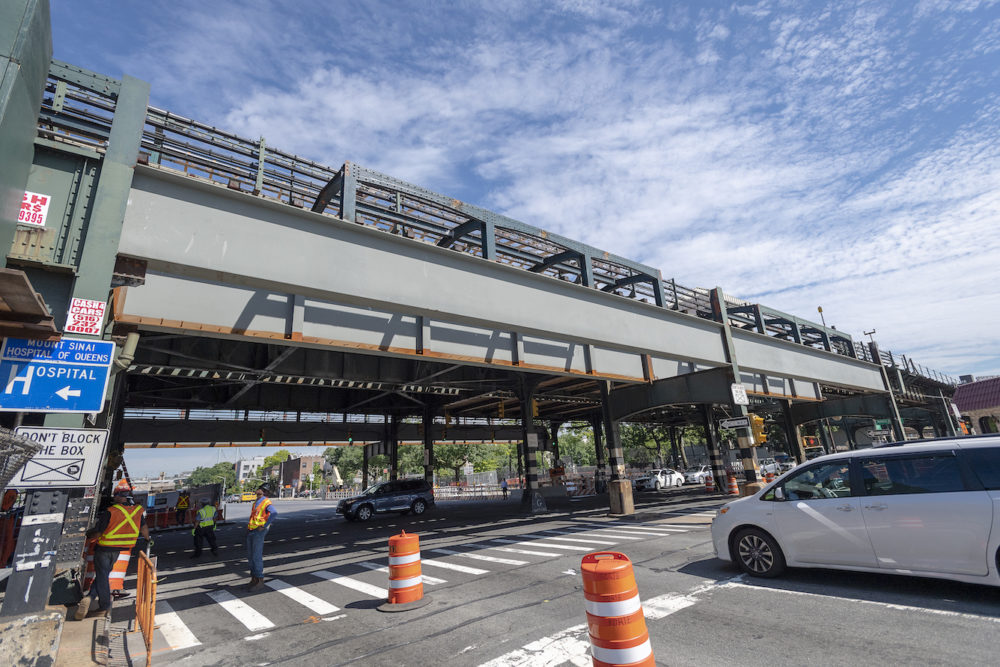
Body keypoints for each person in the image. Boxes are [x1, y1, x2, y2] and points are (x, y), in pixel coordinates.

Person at [76, 490, 148, 620]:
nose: (113, 497)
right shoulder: (137, 511)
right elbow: (144, 528)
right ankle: (91, 597)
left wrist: (86, 535)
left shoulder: (110, 511)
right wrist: (148, 539)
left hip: (104, 548)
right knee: (103, 575)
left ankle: (102, 605)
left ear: (121, 498)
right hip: (119, 549)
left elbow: (98, 533)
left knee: (102, 575)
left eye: (116, 495)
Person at [244, 485, 276, 590]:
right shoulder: (255, 502)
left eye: (258, 488)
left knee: (256, 556)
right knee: (250, 555)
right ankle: (254, 578)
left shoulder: (265, 501)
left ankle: (260, 580)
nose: (256, 489)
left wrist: (264, 526)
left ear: (262, 491)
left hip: (259, 531)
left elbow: (274, 513)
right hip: (252, 530)